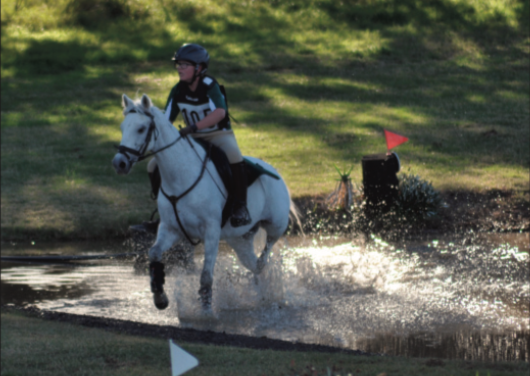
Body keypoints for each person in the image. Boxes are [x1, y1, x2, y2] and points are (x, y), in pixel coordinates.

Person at [130, 43, 251, 234]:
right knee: (152, 165)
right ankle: (164, 213)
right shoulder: (177, 90)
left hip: (218, 135)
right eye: (178, 64)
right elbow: (166, 119)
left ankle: (240, 207)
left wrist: (194, 127)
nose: (179, 68)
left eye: (184, 64)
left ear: (199, 68)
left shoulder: (209, 86)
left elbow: (220, 113)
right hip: (191, 137)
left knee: (235, 156)